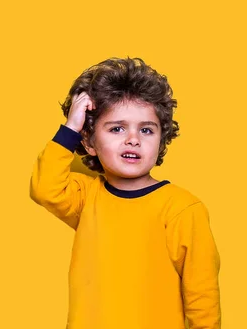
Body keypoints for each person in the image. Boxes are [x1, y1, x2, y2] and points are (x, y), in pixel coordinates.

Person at [29, 57, 221, 329]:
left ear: (161, 140)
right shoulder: (86, 196)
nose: (133, 139)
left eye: (146, 129)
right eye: (117, 128)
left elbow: (203, 295)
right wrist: (71, 128)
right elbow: (44, 188)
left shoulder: (182, 208)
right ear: (89, 142)